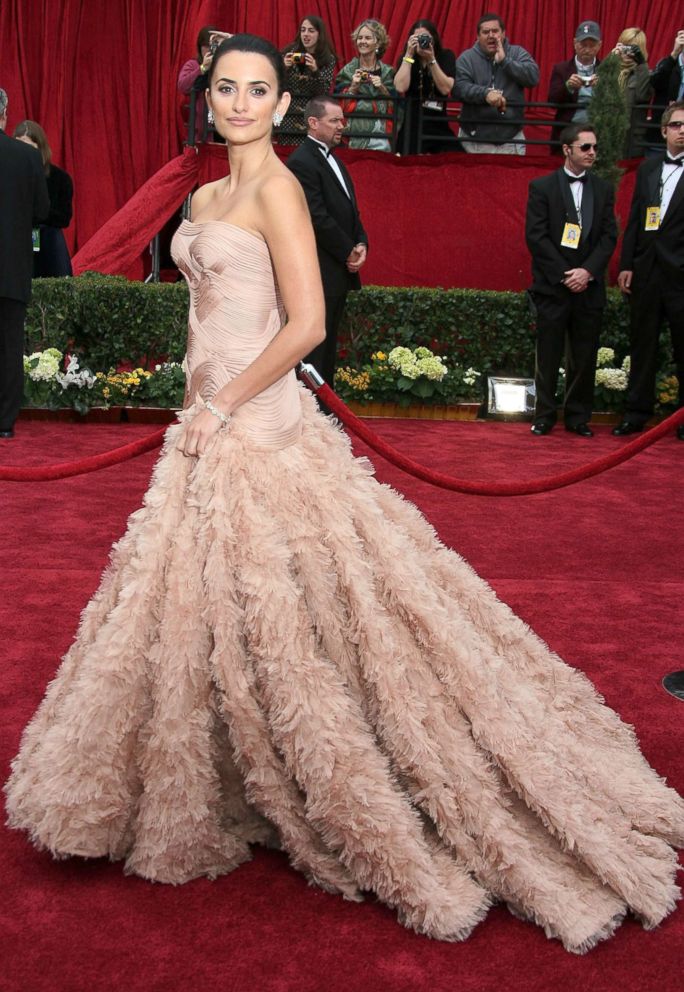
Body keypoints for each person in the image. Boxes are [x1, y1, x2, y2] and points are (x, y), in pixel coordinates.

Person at [5, 37, 684, 954]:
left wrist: (225, 403)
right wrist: (194, 394)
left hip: (252, 422)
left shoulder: (280, 189)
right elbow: (206, 307)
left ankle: (326, 768)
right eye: (226, 88)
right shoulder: (202, 195)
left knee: (295, 610)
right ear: (208, 98)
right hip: (203, 419)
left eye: (258, 90)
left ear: (283, 106)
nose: (240, 102)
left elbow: (309, 322)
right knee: (198, 603)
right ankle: (216, 770)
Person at [525, 123, 618, 436]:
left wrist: (587, 272)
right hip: (553, 287)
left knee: (584, 356)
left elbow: (608, 236)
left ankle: (578, 418)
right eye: (585, 147)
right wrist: (566, 274)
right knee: (548, 356)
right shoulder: (542, 187)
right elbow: (536, 237)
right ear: (567, 150)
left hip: (589, 288)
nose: (592, 153)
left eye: (594, 148)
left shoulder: (604, 189)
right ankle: (544, 416)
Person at [613, 101, 684, 439]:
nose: (682, 131)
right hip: (646, 273)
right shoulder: (648, 169)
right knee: (642, 347)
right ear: (664, 130)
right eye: (676, 125)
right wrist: (627, 264)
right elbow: (636, 219)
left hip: (681, 277)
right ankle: (636, 413)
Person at [286, 96, 368, 388]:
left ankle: (325, 411)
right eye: (334, 120)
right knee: (315, 349)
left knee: (329, 344)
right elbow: (316, 217)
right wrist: (348, 250)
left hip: (336, 271)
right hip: (317, 272)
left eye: (341, 120)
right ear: (313, 123)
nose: (341, 126)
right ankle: (311, 412)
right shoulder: (301, 161)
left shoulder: (335, 160)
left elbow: (350, 209)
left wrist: (361, 242)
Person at [0, 89, 49, 439]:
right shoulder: (27, 158)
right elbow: (42, 211)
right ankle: (3, 423)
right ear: (3, 116)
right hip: (11, 268)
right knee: (8, 345)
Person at [455, 13, 539, 154]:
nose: (491, 35)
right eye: (486, 32)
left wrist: (505, 62)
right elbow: (459, 88)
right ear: (478, 36)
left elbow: (533, 78)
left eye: (495, 31)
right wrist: (485, 94)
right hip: (474, 141)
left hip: (511, 140)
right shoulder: (466, 58)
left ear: (503, 34)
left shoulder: (517, 53)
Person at [14, 120, 73, 277]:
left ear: (40, 148)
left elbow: (64, 218)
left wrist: (38, 211)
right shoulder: (9, 176)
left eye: (29, 148)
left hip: (47, 238)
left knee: (52, 237)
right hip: (16, 239)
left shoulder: (60, 178)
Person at [393, 19, 456, 154]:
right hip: (412, 124)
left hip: (438, 122)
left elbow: (445, 88)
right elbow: (400, 87)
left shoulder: (446, 56)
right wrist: (409, 55)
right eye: (417, 38)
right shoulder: (406, 59)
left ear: (434, 39)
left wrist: (431, 59)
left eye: (426, 38)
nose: (422, 42)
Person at [334, 19, 397, 152]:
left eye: (368, 38)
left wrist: (382, 88)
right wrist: (353, 88)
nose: (362, 41)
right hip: (351, 137)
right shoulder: (347, 71)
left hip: (380, 137)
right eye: (360, 38)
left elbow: (397, 108)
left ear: (378, 42)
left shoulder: (388, 73)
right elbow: (337, 105)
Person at [279, 15, 336, 146]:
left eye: (311, 31)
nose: (305, 34)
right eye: (303, 30)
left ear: (319, 34)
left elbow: (323, 92)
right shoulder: (289, 52)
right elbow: (276, 86)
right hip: (289, 115)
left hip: (312, 117)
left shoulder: (328, 58)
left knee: (309, 156)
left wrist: (315, 71)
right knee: (286, 155)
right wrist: (283, 68)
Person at [547, 21, 602, 153]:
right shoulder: (561, 69)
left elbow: (615, 103)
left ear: (600, 45)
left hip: (597, 129)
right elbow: (552, 101)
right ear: (575, 43)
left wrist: (602, 88)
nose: (587, 49)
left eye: (592, 45)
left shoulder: (605, 70)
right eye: (583, 45)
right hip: (568, 128)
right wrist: (568, 87)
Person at [614, 28, 653, 158]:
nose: (627, 52)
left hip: (631, 140)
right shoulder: (609, 70)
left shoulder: (646, 73)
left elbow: (642, 96)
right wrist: (611, 59)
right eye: (625, 47)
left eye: (633, 48)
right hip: (609, 136)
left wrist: (641, 64)